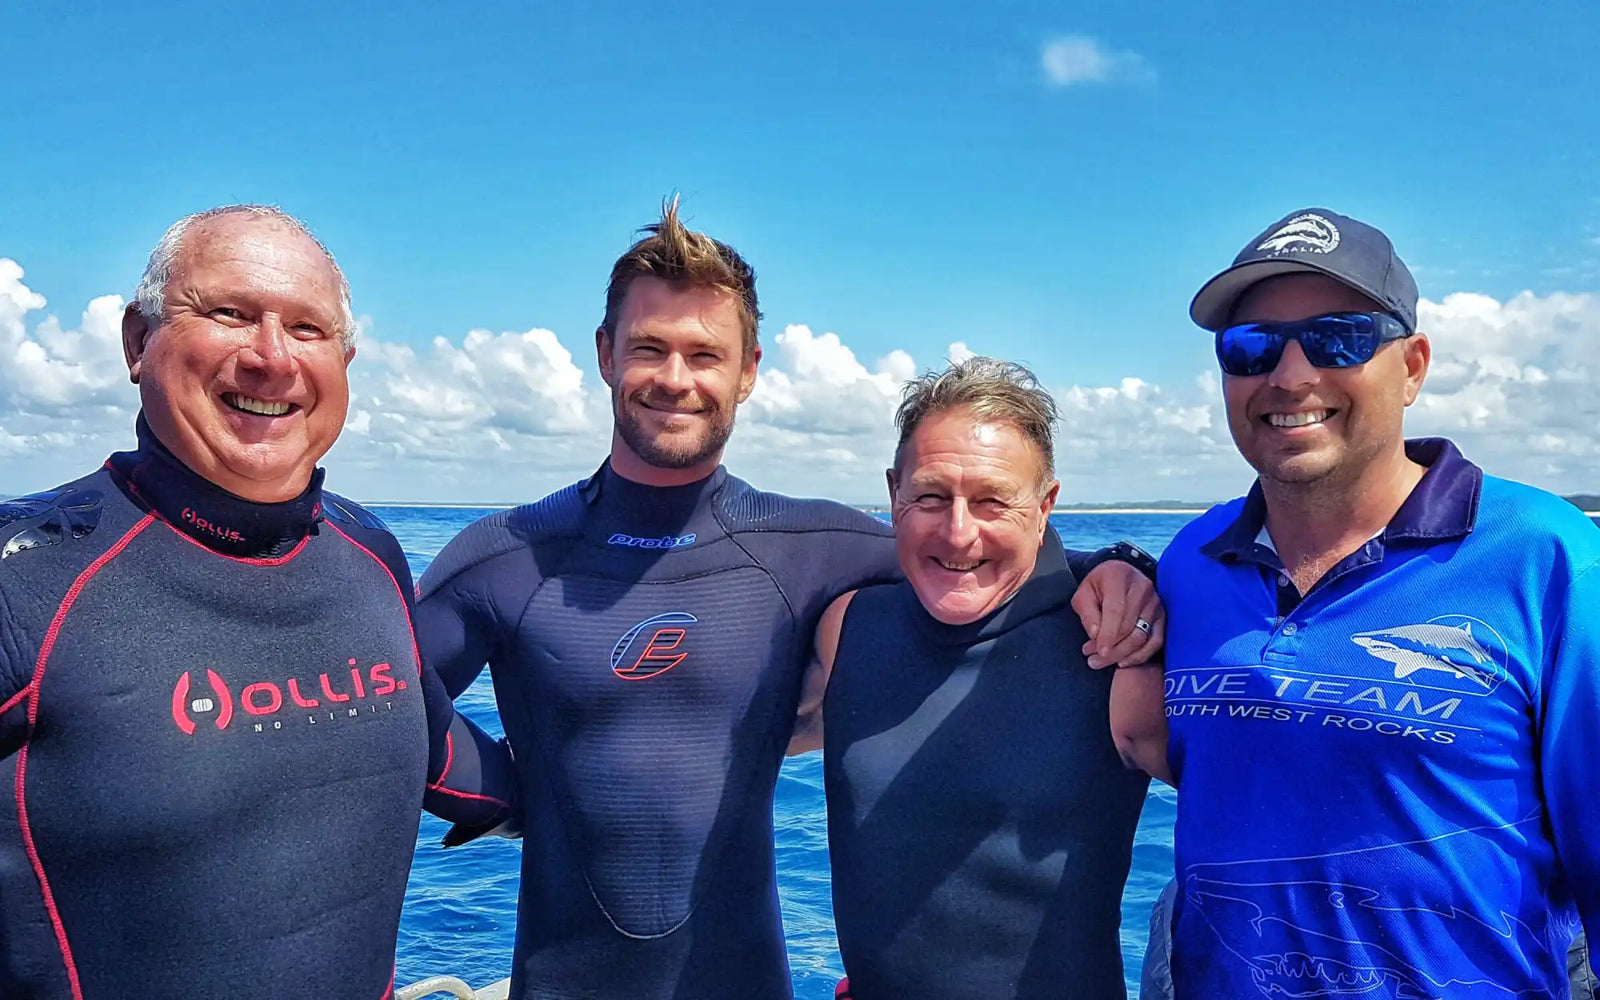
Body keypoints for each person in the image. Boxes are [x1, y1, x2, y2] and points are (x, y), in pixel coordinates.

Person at [413, 202, 1161, 999]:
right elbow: (378, 707)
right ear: (605, 353)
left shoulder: (805, 547)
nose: (676, 378)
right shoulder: (505, 558)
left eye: (706, 353)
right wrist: (507, 793)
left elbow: (972, 555)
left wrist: (1120, 566)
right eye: (649, 347)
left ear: (749, 370)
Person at [0, 205, 512, 999]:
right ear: (138, 341)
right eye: (229, 313)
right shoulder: (25, 577)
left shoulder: (369, 551)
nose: (272, 357)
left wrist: (625, 795)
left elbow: (440, 752)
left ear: (345, 360)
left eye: (308, 329)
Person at [1144, 207, 1599, 996]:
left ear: (1413, 367)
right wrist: (1111, 567)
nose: (1290, 376)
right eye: (1252, 346)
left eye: (1339, 338)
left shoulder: (1548, 557)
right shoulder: (1190, 561)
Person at [788, 357, 1166, 1000]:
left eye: (993, 501)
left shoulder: (1114, 649)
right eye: (931, 496)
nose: (959, 533)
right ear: (893, 493)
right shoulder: (848, 627)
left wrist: (1131, 564)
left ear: (1045, 506)